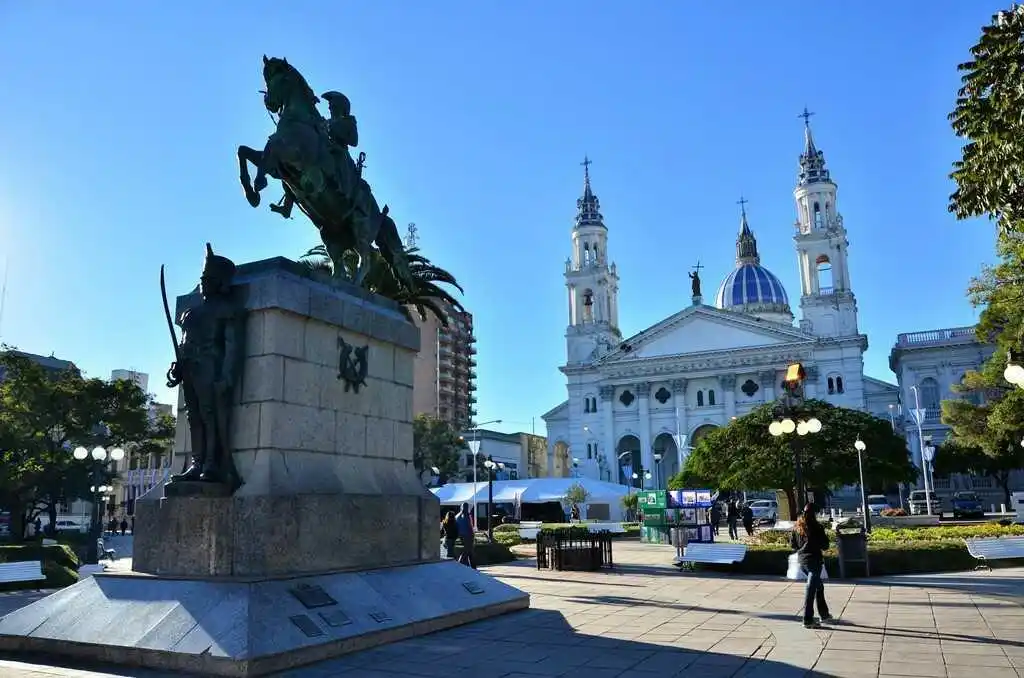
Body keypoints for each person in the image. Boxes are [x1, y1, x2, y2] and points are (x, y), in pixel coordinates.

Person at [790, 502, 833, 628]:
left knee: (819, 586)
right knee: (811, 589)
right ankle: (807, 619)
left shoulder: (797, 527)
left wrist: (801, 549)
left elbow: (793, 545)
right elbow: (825, 546)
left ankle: (824, 614)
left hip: (802, 562)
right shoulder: (817, 527)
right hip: (814, 561)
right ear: (814, 514)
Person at [455, 502, 476, 569]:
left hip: (461, 535)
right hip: (468, 535)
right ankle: (460, 563)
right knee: (467, 551)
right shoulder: (467, 515)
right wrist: (473, 535)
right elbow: (470, 526)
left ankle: (473, 566)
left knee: (469, 551)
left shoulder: (457, 516)